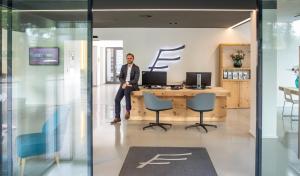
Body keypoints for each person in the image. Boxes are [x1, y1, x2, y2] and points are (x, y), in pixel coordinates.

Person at [111, 53, 140, 124]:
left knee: (127, 91)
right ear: (126, 59)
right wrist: (124, 83)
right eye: (128, 58)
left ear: (133, 59)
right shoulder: (123, 67)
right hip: (124, 85)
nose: (129, 59)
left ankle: (128, 110)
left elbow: (136, 80)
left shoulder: (136, 68)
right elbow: (120, 77)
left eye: (130, 58)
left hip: (132, 85)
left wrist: (127, 83)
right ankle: (117, 117)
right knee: (117, 99)